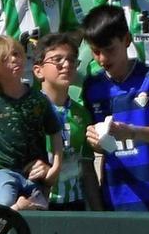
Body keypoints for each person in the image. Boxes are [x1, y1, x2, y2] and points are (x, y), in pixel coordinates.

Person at [80, 5, 149, 212]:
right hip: (117, 199)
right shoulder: (93, 87)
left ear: (127, 40)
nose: (102, 58)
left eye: (109, 49)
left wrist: (131, 132)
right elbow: (95, 150)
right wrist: (95, 142)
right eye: (96, 51)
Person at [0, 35, 63, 210]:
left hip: (35, 171)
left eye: (16, 54)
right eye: (5, 58)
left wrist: (55, 166)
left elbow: (55, 132)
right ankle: (19, 208)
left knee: (41, 208)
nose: (14, 60)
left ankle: (22, 207)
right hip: (5, 170)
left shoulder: (37, 98)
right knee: (3, 207)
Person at [33, 32, 99, 212]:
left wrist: (99, 213)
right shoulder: (28, 111)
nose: (66, 65)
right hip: (38, 202)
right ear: (38, 70)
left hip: (74, 205)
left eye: (72, 60)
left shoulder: (81, 114)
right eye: (57, 60)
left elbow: (87, 167)